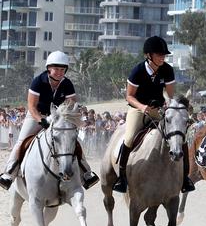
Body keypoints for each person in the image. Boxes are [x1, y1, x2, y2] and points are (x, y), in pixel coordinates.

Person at [0, 51, 99, 191]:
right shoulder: (38, 81)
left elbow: (71, 105)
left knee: (74, 142)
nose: (59, 72)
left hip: (58, 117)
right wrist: (42, 120)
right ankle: (8, 173)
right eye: (56, 69)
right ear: (49, 68)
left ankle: (87, 174)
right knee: (22, 142)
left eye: (62, 69)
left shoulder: (67, 84)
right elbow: (31, 106)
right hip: (36, 115)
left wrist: (73, 120)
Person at [112, 36, 195, 193]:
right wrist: (142, 107)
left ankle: (185, 178)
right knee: (129, 138)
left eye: (164, 54)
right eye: (159, 54)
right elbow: (129, 96)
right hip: (137, 109)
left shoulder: (167, 70)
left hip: (158, 111)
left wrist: (168, 107)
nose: (163, 57)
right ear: (149, 56)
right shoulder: (137, 71)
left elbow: (169, 96)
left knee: (178, 136)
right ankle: (122, 178)